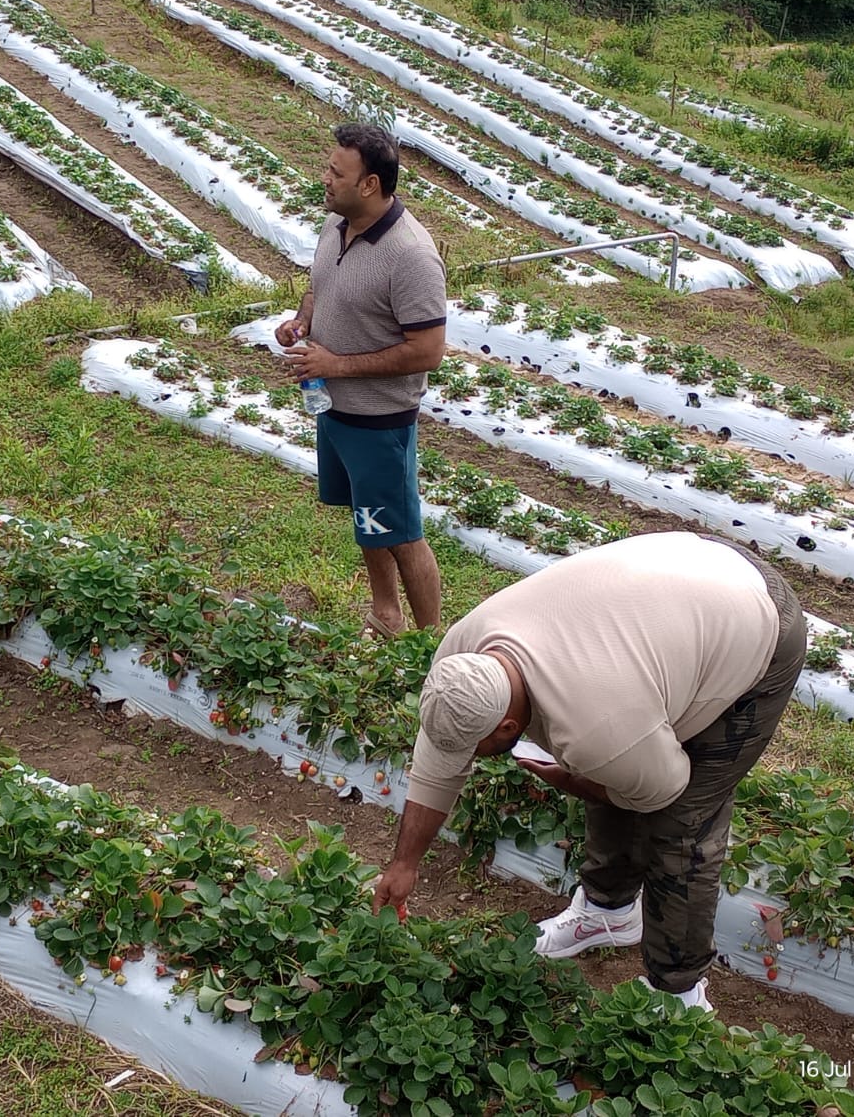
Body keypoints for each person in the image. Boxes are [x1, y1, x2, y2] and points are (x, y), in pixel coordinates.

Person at [370, 532, 807, 1012]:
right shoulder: (461, 659)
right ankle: (609, 912)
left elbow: (664, 790)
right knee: (613, 766)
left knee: (683, 821)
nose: (468, 761)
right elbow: (438, 762)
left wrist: (579, 782)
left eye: (476, 750)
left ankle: (679, 993)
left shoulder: (598, 728)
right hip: (670, 594)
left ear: (509, 726)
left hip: (755, 619)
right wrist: (404, 863)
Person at [275, 123, 447, 635]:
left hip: (379, 420)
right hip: (333, 408)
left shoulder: (411, 256)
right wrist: (303, 321)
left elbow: (428, 351)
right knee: (367, 518)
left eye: (336, 172)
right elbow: (319, 286)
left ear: (370, 184)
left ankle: (428, 642)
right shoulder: (337, 224)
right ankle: (386, 614)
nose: (324, 178)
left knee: (401, 532)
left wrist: (338, 365)